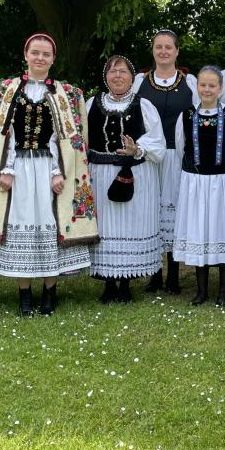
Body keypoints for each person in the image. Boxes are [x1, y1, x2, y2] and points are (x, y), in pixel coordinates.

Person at [0, 33, 99, 317]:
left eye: (46, 54)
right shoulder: (5, 91)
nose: (40, 58)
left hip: (47, 168)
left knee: (51, 225)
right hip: (19, 171)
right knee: (20, 223)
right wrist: (6, 168)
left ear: (53, 59)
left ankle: (49, 292)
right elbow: (1, 134)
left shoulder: (66, 94)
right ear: (26, 55)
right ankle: (24, 294)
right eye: (35, 53)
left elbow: (66, 138)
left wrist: (57, 172)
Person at [86, 56, 166, 303]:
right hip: (100, 174)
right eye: (112, 72)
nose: (117, 76)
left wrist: (137, 150)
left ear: (132, 77)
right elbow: (81, 139)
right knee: (106, 228)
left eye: (122, 72)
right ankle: (109, 284)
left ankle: (126, 285)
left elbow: (158, 144)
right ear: (105, 76)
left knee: (131, 225)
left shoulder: (144, 106)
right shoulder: (91, 104)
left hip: (135, 174)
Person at [173, 66, 225, 305]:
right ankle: (201, 291)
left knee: (223, 230)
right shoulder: (185, 115)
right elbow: (179, 149)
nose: (207, 89)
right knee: (200, 232)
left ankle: (224, 292)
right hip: (195, 183)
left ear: (220, 88)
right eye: (203, 85)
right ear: (198, 87)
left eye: (212, 85)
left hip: (224, 183)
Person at [132, 29, 198, 294]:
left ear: (177, 50)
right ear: (153, 50)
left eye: (168, 47)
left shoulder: (190, 82)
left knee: (174, 211)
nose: (163, 51)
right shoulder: (140, 81)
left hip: (177, 155)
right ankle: (154, 273)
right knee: (152, 211)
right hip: (149, 157)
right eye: (158, 47)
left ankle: (173, 274)